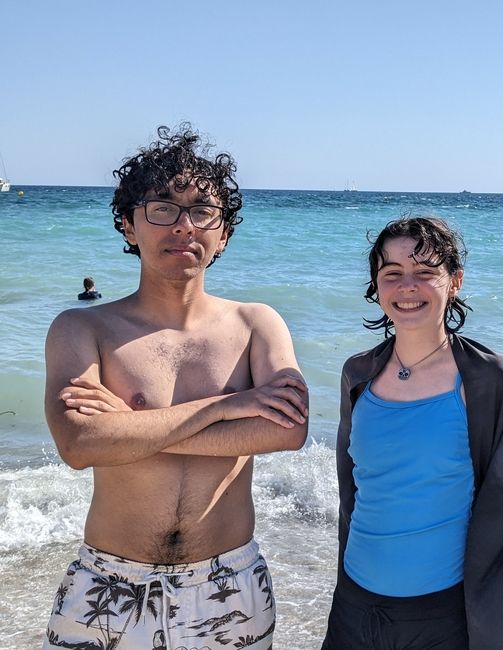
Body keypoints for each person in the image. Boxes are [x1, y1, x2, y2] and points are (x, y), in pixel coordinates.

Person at [43, 126, 308, 650]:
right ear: (129, 224)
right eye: (162, 207)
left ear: (223, 232)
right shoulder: (83, 329)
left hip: (229, 586)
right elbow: (79, 445)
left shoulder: (257, 323)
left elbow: (288, 431)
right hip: (108, 587)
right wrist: (230, 406)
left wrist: (128, 425)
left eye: (201, 210)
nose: (184, 225)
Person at [322, 217, 503, 650]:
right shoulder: (357, 374)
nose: (407, 285)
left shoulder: (494, 381)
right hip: (354, 605)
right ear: (377, 286)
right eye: (392, 274)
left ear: (455, 282)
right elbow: (352, 491)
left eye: (426, 272)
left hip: (443, 615)